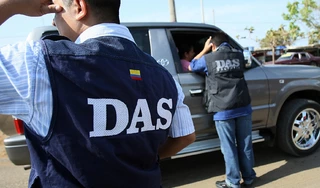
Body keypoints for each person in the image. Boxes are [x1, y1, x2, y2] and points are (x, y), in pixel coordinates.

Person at [0, 0, 195, 187]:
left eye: (55, 10)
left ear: (79, 6)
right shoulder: (164, 75)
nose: (53, 20)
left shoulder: (39, 64)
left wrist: (11, 4)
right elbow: (186, 136)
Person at [189, 32, 256, 188]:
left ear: (213, 45)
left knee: (229, 147)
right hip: (243, 106)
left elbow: (192, 65)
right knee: (245, 144)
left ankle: (233, 182)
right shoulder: (239, 55)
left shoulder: (208, 59)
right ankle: (249, 177)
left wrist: (204, 50)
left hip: (223, 109)